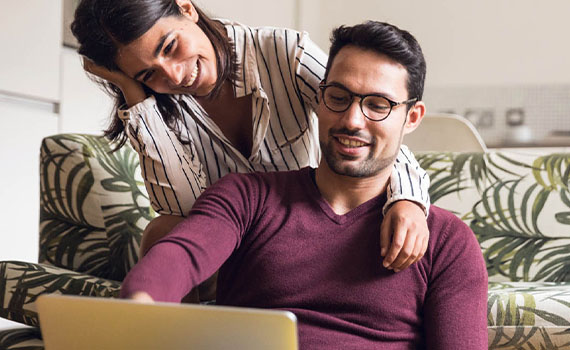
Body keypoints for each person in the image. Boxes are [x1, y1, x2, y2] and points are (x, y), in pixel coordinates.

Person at [120, 21, 489, 349]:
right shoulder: (247, 197)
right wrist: (140, 303)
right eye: (338, 97)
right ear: (319, 97)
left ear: (412, 117)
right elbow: (180, 256)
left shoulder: (447, 241)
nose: (352, 120)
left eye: (377, 105)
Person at [71, 0, 431, 299]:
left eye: (170, 47)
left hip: (306, 228)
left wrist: (408, 201)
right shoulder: (158, 103)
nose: (176, 76)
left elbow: (364, 121)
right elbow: (182, 211)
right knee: (163, 232)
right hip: (225, 241)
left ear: (186, 8)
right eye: (148, 73)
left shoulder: (284, 54)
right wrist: (134, 93)